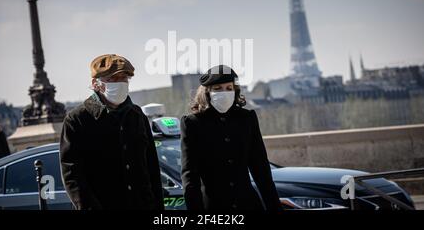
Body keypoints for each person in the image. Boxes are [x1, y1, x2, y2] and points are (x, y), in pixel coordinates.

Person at [59, 54, 164, 210]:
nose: (120, 83)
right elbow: (72, 175)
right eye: (113, 79)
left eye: (124, 79)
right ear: (96, 84)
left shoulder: (137, 115)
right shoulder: (77, 120)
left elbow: (151, 166)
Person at [180, 65, 283, 211]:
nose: (224, 92)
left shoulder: (247, 119)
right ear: (207, 91)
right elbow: (190, 176)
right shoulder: (193, 124)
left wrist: (274, 207)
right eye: (218, 88)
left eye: (229, 88)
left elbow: (261, 170)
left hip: (248, 205)